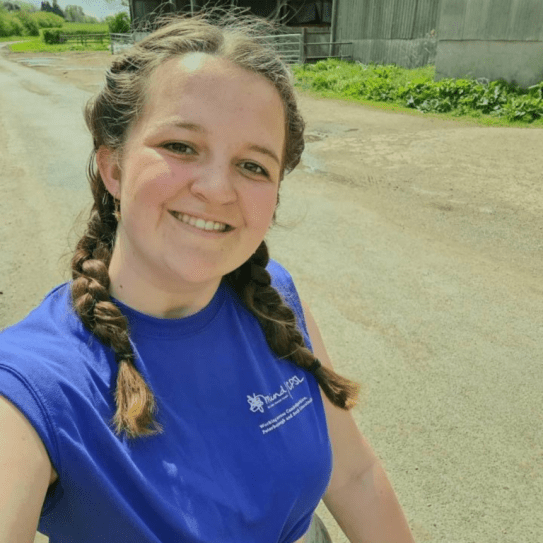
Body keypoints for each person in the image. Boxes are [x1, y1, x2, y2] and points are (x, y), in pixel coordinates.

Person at [0, 12, 416, 543]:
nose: (218, 189)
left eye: (253, 166)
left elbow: (354, 477)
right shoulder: (31, 388)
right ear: (114, 169)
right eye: (180, 146)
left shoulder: (276, 300)